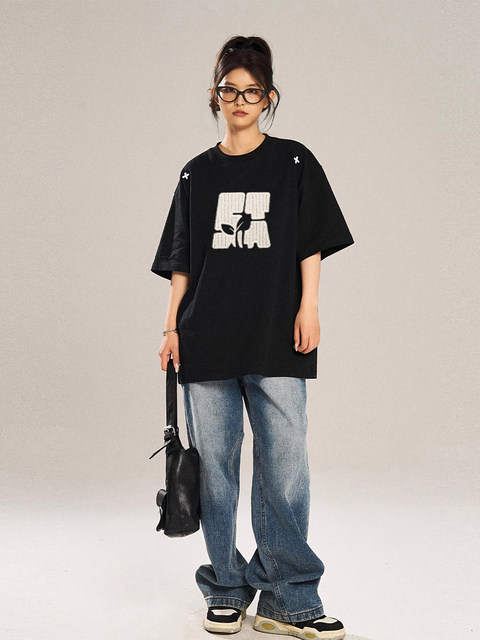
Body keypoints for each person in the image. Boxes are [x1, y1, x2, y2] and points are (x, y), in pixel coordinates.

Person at [151, 35, 354, 640]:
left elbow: (310, 243)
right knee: (216, 470)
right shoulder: (196, 172)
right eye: (229, 90)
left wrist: (310, 307)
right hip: (206, 337)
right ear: (216, 96)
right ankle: (226, 587)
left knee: (285, 467)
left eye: (252, 91)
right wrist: (170, 327)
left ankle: (289, 596)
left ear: (268, 98)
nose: (239, 100)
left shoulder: (293, 162)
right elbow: (182, 260)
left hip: (277, 336)